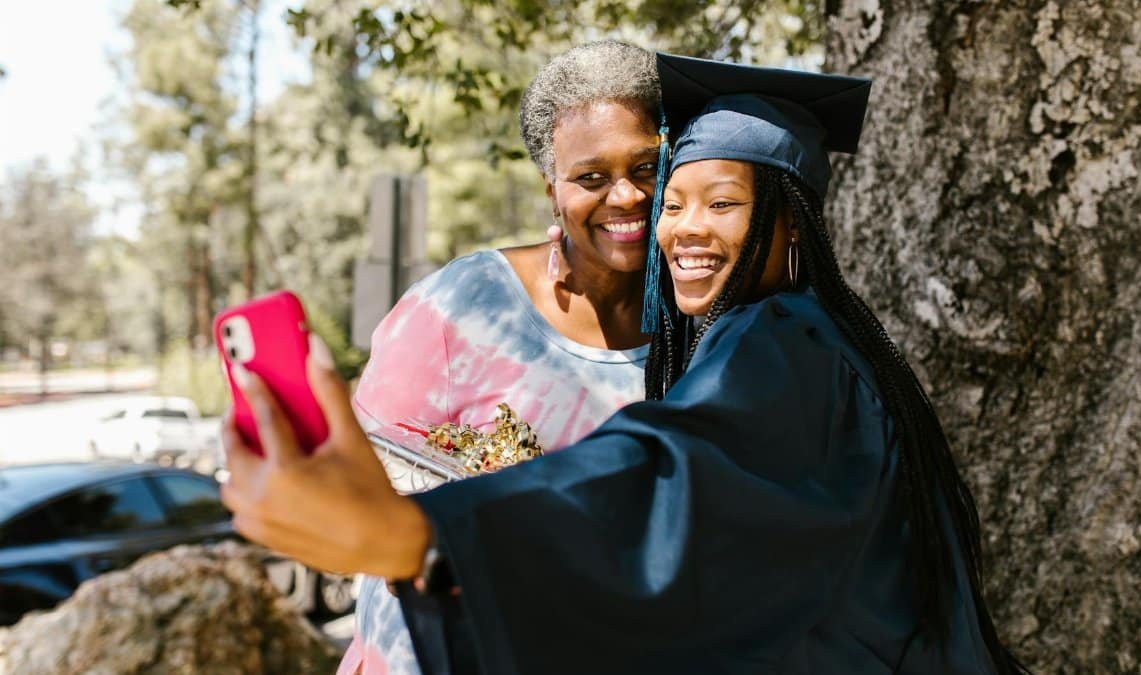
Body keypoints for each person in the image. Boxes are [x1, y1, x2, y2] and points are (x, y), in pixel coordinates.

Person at [221, 52, 1028, 674]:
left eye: (720, 202)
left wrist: (426, 539)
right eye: (679, 201)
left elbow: (673, 483)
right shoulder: (800, 340)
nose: (676, 225)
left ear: (791, 225)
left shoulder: (785, 345)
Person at [338, 40, 660, 674]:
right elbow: (358, 493)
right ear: (553, 190)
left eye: (646, 167)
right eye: (590, 177)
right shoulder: (462, 307)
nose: (624, 196)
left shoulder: (697, 331)